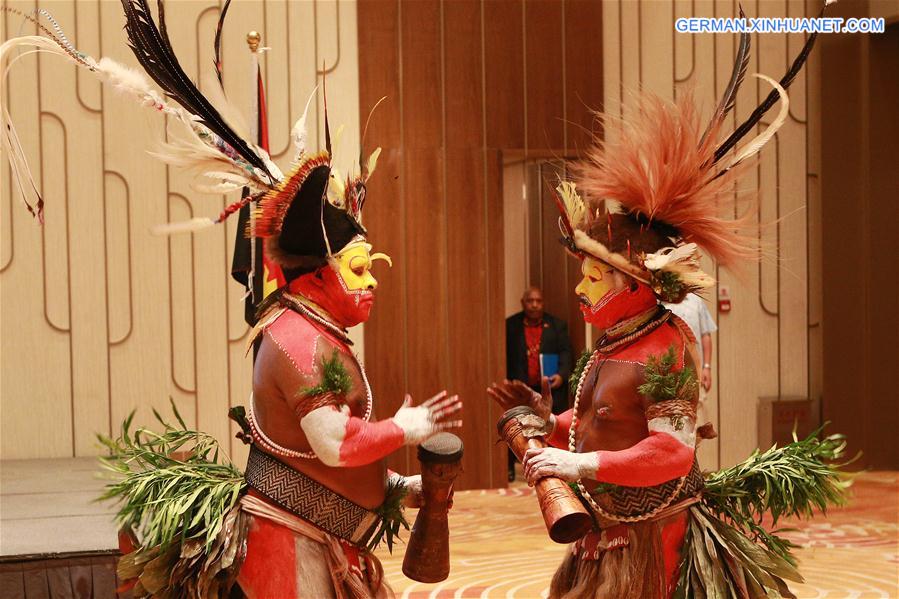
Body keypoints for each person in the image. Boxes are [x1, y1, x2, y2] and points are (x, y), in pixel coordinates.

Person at [0, 5, 462, 598]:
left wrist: (400, 486)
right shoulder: (296, 339)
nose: (372, 281)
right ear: (317, 273)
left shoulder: (316, 332)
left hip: (323, 545)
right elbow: (333, 445)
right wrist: (405, 426)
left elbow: (315, 460)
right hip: (290, 550)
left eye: (371, 267)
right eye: (356, 267)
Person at [488, 12, 846, 597]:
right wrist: (549, 422)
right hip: (608, 533)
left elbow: (672, 451)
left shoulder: (665, 346)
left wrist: (579, 467)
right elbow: (604, 423)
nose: (581, 290)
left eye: (596, 276)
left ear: (636, 284)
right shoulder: (617, 341)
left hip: (656, 543)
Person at [505, 287, 572, 481]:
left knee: (549, 426)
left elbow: (566, 352)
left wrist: (561, 374)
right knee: (515, 426)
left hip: (549, 389)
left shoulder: (557, 325)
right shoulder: (510, 325)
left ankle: (552, 467)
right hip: (520, 388)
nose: (534, 305)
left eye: (538, 301)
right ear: (522, 303)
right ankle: (510, 467)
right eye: (530, 301)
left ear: (543, 303)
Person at [664, 293, 717, 395]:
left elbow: (705, 335)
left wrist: (707, 367)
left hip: (695, 373)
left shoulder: (696, 301)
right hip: (666, 376)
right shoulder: (658, 303)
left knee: (698, 407)